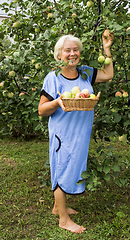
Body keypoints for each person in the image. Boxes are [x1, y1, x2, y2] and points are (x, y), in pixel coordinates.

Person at [38, 30, 114, 233]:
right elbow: (41, 109)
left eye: (76, 50)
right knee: (63, 169)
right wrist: (56, 102)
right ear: (59, 54)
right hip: (62, 134)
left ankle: (57, 207)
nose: (72, 54)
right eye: (67, 50)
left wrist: (106, 50)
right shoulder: (52, 78)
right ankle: (63, 220)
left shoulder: (86, 73)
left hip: (80, 133)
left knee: (73, 167)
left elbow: (108, 74)